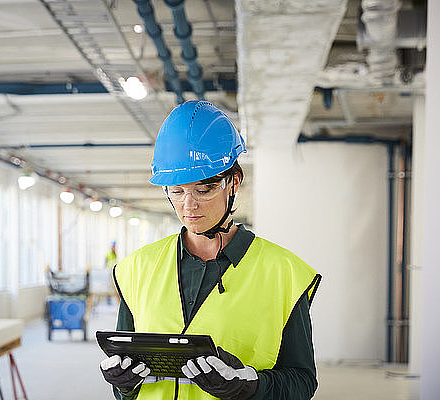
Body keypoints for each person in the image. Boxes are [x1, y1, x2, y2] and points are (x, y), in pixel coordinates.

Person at [99, 101, 321, 400]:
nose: (188, 205)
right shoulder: (136, 269)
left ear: (234, 182)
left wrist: (248, 385)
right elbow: (126, 389)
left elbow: (302, 383)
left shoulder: (285, 273)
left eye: (204, 189)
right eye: (176, 191)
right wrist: (124, 384)